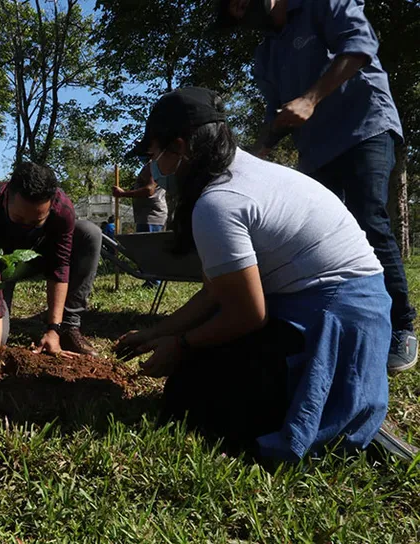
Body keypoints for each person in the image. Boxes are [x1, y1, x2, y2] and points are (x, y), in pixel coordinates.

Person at [117, 87, 391, 461]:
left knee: (192, 394)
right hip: (351, 309)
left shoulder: (218, 202)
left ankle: (331, 411)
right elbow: (217, 293)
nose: (153, 170)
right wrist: (158, 331)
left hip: (335, 319)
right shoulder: (249, 171)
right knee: (199, 370)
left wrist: (180, 346)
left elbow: (247, 314)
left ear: (179, 147)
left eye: (154, 156)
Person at [217, 0, 416, 374]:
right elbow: (277, 111)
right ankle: (319, 319)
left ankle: (401, 325)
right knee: (308, 233)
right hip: (315, 148)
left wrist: (311, 99)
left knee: (367, 220)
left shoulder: (322, 4)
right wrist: (262, 149)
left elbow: (360, 46)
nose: (241, 16)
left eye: (241, 5)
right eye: (235, 15)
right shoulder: (267, 53)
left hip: (364, 127)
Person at [0, 162, 102, 373]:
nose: (25, 226)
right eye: (18, 218)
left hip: (30, 258)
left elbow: (60, 266)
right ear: (7, 196)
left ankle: (68, 327)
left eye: (36, 222)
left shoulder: (62, 209)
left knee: (90, 233)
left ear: (51, 204)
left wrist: (54, 329)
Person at [113, 162, 168, 233]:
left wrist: (122, 194)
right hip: (146, 218)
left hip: (151, 217)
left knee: (147, 243)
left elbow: (149, 190)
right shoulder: (150, 166)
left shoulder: (153, 166)